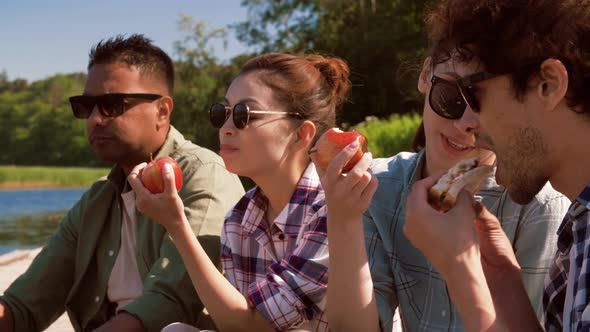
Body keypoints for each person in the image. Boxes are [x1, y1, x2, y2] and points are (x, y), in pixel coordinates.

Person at [0, 34, 244, 332]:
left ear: (162, 111)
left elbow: (173, 298)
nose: (94, 119)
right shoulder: (98, 199)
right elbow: (25, 303)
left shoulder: (203, 174)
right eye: (85, 107)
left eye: (111, 105)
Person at [312, 57, 570, 332]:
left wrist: (459, 265)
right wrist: (343, 220)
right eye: (450, 96)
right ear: (425, 75)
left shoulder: (539, 205)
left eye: (487, 106)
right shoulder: (379, 186)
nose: (464, 123)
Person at [396, 0, 590, 331]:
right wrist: (500, 278)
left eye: (473, 94)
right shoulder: (578, 225)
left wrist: (459, 268)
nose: (465, 122)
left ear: (549, 84)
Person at [127, 52, 351, 332]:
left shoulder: (334, 208)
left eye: (244, 115)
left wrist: (177, 224)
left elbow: (252, 325)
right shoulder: (239, 218)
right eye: (222, 113)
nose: (226, 128)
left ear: (301, 134)